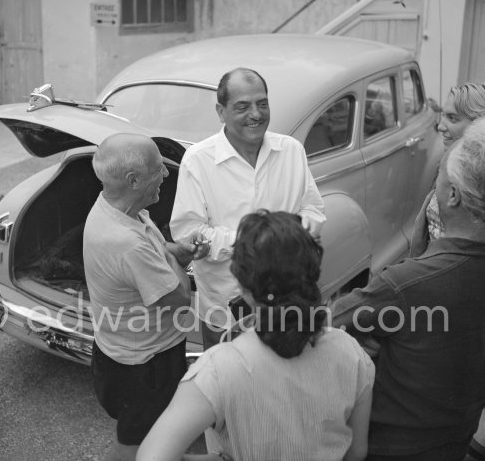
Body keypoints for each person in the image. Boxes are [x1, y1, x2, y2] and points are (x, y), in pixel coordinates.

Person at [137, 210, 374, 461]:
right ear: (313, 276)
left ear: (242, 286)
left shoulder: (218, 369)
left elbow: (151, 458)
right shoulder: (353, 354)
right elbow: (356, 452)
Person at [333, 118, 485, 460]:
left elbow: (321, 324)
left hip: (387, 447)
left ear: (452, 195)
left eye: (439, 177)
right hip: (456, 440)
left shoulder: (405, 285)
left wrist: (361, 340)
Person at [170, 67, 326, 348]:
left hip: (288, 305)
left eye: (262, 104)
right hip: (225, 309)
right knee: (227, 385)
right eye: (243, 107)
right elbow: (187, 231)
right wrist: (261, 242)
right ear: (221, 111)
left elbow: (314, 211)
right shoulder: (198, 160)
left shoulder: (291, 150)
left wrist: (299, 235)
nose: (256, 114)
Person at [83, 133, 209, 461]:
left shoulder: (115, 208)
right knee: (133, 445)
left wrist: (172, 249)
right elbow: (180, 298)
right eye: (158, 169)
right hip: (146, 367)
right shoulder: (126, 243)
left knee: (155, 431)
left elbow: (151, 248)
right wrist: (173, 260)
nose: (166, 174)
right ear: (134, 179)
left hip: (119, 353)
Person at [411, 82, 485, 257]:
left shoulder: (477, 182)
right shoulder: (446, 163)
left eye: (453, 118)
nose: (440, 126)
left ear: (479, 125)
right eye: (443, 116)